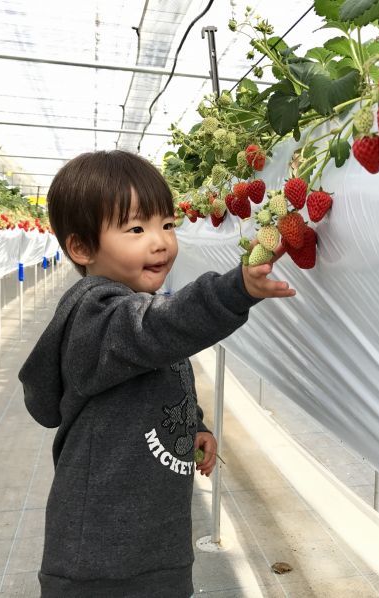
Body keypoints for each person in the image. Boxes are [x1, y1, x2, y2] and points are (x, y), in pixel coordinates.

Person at [18, 150, 295, 598]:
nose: (161, 241)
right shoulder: (96, 314)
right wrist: (235, 290)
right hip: (98, 563)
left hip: (156, 549)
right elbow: (159, 329)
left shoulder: (133, 313)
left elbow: (164, 368)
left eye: (167, 224)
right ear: (82, 247)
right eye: (136, 229)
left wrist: (194, 425)